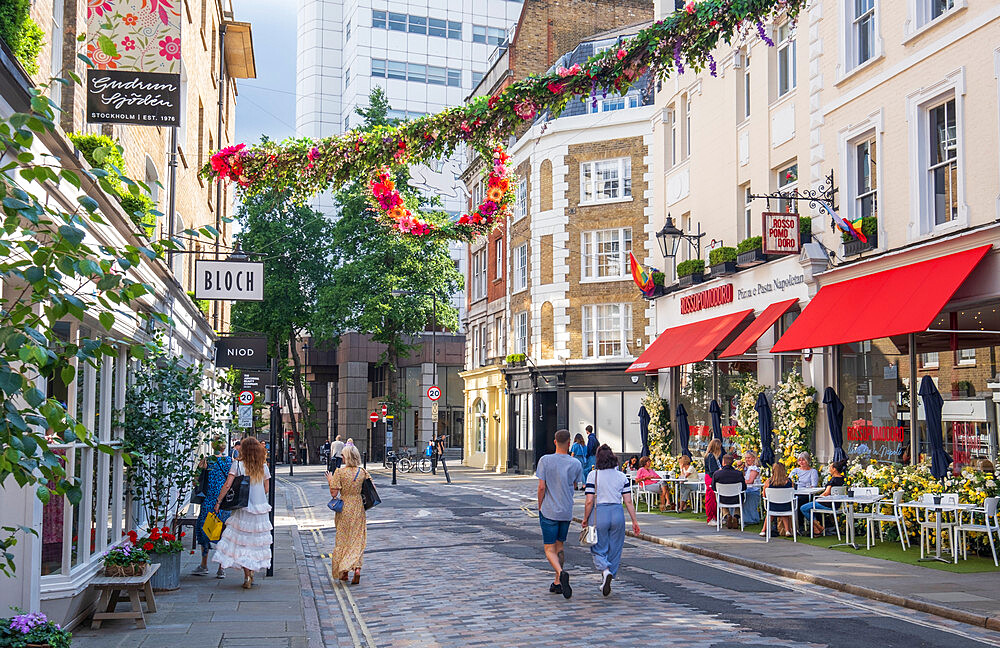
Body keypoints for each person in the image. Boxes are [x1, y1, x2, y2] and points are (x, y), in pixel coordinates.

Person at [213, 437, 272, 589]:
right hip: (260, 510)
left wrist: (219, 502)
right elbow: (266, 489)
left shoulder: (238, 464)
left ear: (243, 449)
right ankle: (250, 572)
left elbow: (227, 485)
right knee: (255, 543)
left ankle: (247, 575)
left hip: (243, 509)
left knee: (243, 542)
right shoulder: (263, 466)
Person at [583, 445, 641, 597]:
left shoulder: (593, 475)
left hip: (599, 513)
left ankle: (605, 571)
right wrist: (634, 521)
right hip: (617, 512)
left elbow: (589, 501)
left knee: (597, 547)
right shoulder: (621, 476)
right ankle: (608, 576)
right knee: (615, 548)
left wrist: (584, 518)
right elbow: (628, 501)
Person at [535, 429, 583, 599]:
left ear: (555, 441)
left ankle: (561, 572)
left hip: (549, 510)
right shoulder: (575, 463)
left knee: (549, 548)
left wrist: (540, 505)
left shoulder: (545, 461)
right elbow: (577, 484)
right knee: (560, 546)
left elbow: (542, 487)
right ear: (569, 443)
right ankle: (557, 582)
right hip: (566, 510)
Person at [326, 445, 369, 584]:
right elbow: (371, 489)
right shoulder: (362, 472)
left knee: (343, 539)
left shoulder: (339, 472)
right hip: (358, 507)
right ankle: (357, 568)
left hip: (344, 507)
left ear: (347, 457)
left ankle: (344, 572)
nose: (342, 458)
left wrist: (330, 480)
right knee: (357, 539)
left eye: (343, 456)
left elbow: (334, 493)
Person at [193, 438, 232, 578]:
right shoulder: (229, 462)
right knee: (223, 533)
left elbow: (195, 480)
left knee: (205, 531)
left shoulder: (206, 461)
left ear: (212, 446)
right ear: (224, 447)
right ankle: (221, 568)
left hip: (208, 501)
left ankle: (204, 564)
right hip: (223, 503)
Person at [800, 460, 848, 536]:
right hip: (837, 505)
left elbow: (826, 493)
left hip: (828, 504)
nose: (829, 469)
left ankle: (819, 527)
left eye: (830, 467)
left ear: (834, 469)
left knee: (803, 508)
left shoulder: (833, 480)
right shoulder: (843, 479)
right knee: (810, 506)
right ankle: (816, 529)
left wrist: (817, 498)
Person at [711, 454, 746, 527]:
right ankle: (736, 516)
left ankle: (727, 516)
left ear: (723, 462)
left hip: (723, 498)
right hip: (736, 499)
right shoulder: (739, 474)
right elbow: (744, 487)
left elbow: (713, 487)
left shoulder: (717, 474)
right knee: (740, 500)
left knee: (720, 498)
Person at [761, 461, 795, 537]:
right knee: (783, 509)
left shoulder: (768, 482)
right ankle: (787, 530)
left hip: (772, 506)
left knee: (770, 513)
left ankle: (763, 530)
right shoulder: (789, 481)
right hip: (786, 506)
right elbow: (792, 494)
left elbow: (764, 495)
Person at [791, 451, 820, 528]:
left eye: (803, 460)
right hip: (796, 493)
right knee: (794, 500)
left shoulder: (812, 471)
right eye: (799, 460)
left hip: (807, 494)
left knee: (799, 501)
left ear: (808, 460)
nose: (801, 462)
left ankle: (800, 525)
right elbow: (790, 481)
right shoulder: (795, 471)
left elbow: (814, 485)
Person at [703, 439, 723, 526]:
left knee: (714, 498)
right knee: (711, 498)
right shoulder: (711, 456)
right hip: (711, 478)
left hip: (712, 477)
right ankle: (710, 518)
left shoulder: (713, 456)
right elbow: (712, 470)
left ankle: (715, 517)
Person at [741, 450, 762, 525]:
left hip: (753, 490)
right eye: (746, 458)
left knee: (745, 496)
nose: (747, 459)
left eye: (749, 458)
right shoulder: (747, 468)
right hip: (747, 489)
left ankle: (751, 519)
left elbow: (750, 481)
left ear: (754, 458)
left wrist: (740, 480)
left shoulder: (754, 468)